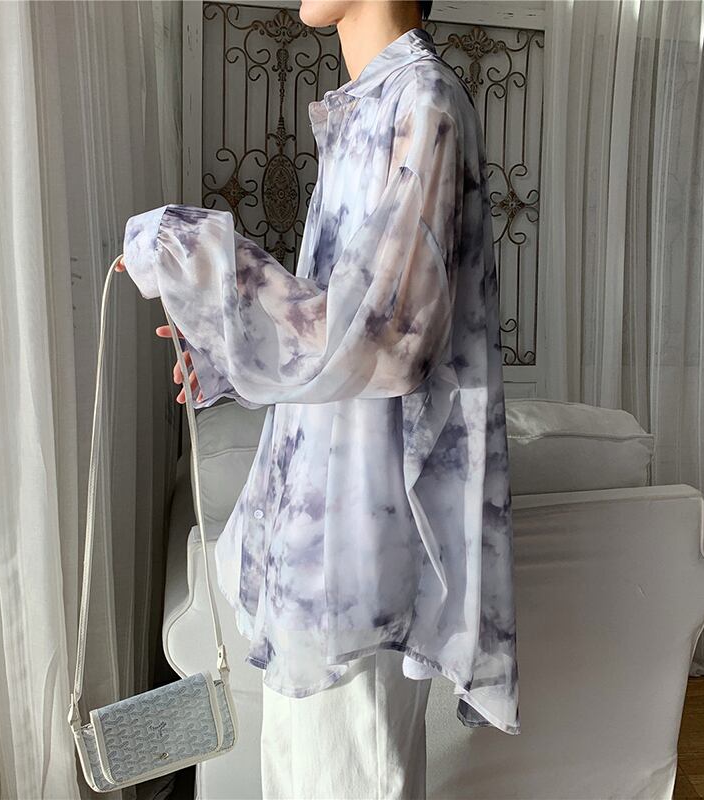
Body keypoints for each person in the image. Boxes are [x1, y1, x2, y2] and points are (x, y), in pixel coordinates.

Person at [117, 0, 520, 797]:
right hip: (318, 532)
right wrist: (231, 346)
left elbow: (391, 338)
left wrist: (217, 263)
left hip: (359, 541)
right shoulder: (373, 103)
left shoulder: (424, 100)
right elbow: (342, 323)